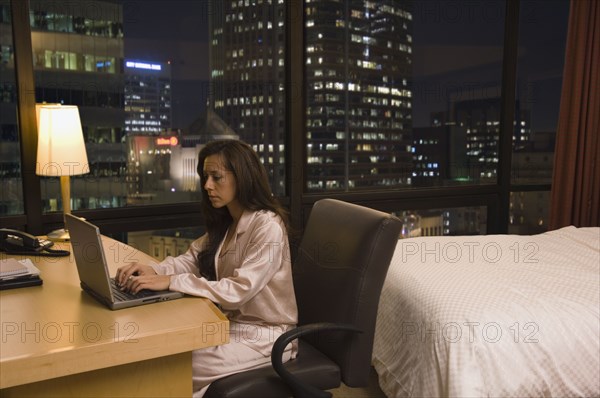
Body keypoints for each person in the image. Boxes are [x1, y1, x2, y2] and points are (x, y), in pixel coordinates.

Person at [115, 139, 298, 397]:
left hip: (267, 335)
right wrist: (153, 270)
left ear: (242, 178)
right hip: (229, 324)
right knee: (168, 352)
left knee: (177, 365)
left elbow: (238, 290)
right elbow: (190, 259)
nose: (207, 185)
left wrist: (171, 282)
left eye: (216, 177)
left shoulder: (267, 226)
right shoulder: (227, 221)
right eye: (205, 177)